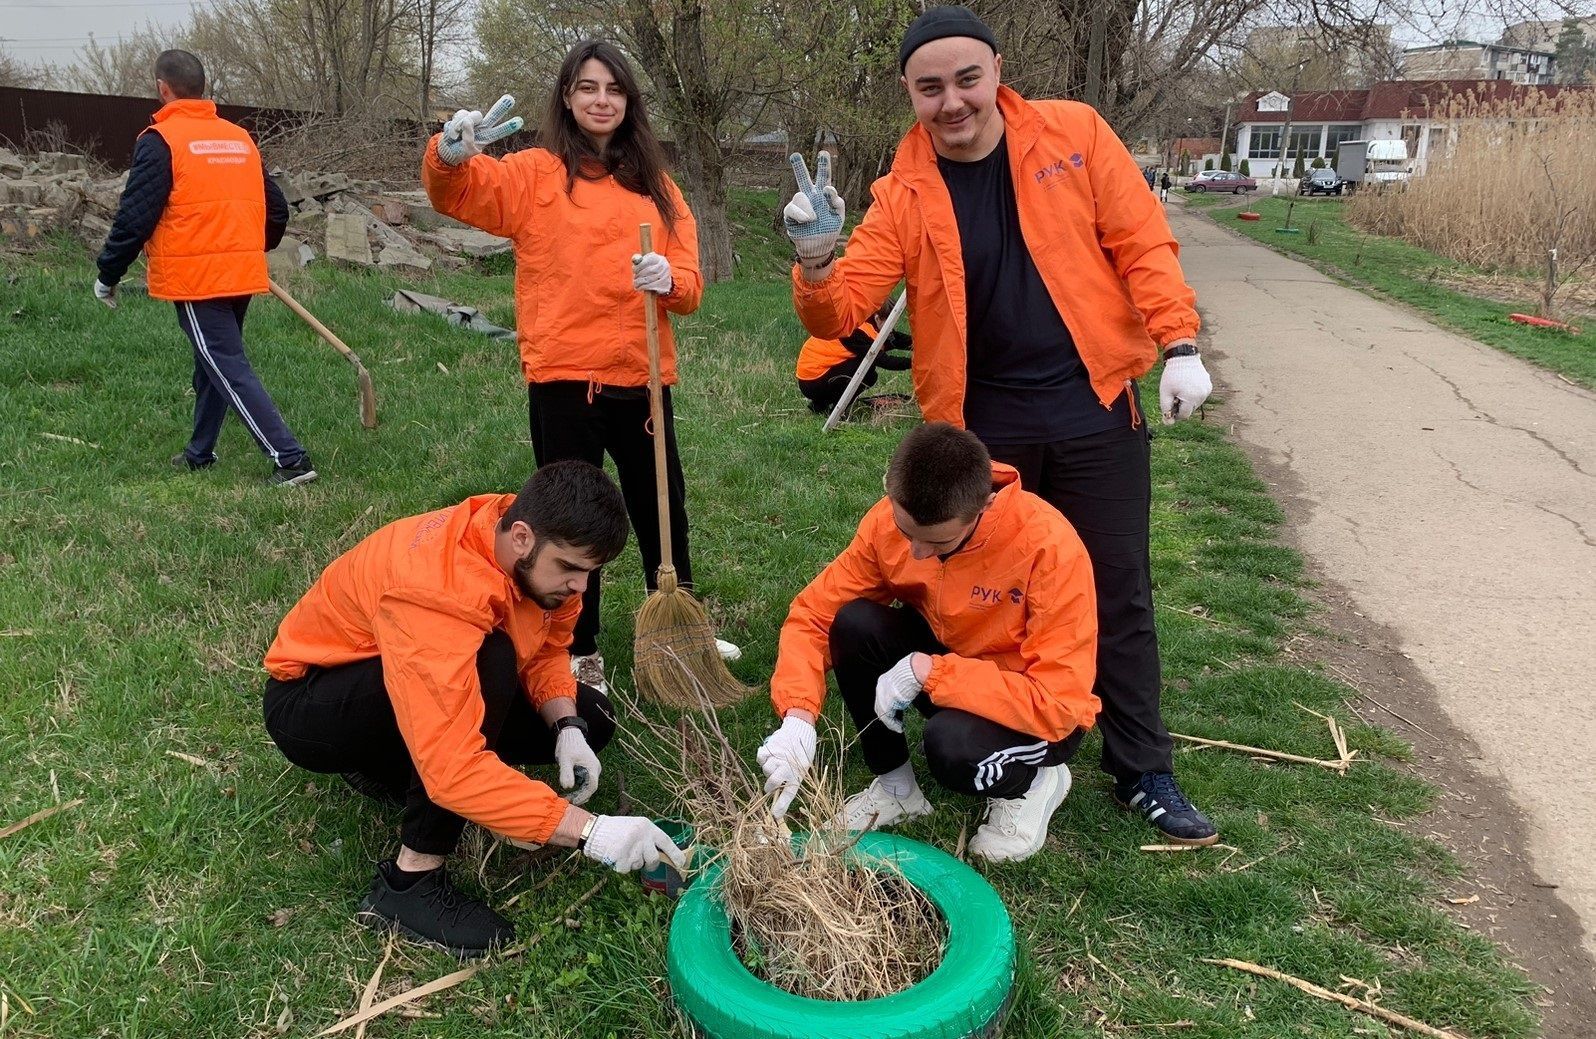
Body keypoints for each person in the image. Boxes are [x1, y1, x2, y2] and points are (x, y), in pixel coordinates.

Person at [779, 6, 1220, 845]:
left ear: (996, 72)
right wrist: (815, 259)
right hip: (981, 427)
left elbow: (1142, 244)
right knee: (989, 596)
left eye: (966, 79)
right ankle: (1012, 733)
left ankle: (1143, 768)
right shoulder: (903, 193)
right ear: (909, 94)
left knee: (1116, 587)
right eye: (930, 87)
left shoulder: (1075, 134)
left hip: (1092, 404)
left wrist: (1181, 340)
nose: (952, 101)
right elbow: (840, 310)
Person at [262, 461, 686, 957]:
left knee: (593, 716)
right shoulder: (437, 592)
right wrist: (588, 831)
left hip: (409, 676)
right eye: (571, 570)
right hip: (314, 702)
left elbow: (548, 648)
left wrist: (566, 725)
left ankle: (391, 768)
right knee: (492, 663)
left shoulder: (536, 545)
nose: (581, 588)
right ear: (523, 537)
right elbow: (452, 768)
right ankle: (409, 885)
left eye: (590, 573)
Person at [421, 39, 737, 696]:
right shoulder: (533, 175)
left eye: (614, 89)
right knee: (570, 522)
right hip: (563, 379)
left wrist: (670, 279)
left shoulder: (658, 186)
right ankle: (578, 645)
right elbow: (459, 195)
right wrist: (449, 157)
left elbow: (693, 286)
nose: (602, 100)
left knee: (662, 508)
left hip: (641, 379)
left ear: (629, 101)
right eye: (588, 87)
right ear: (567, 97)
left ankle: (677, 627)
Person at [756, 423, 1099, 863]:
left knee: (952, 748)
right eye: (906, 532)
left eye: (938, 541)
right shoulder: (886, 523)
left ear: (982, 508)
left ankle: (1034, 783)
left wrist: (932, 671)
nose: (916, 553)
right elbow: (813, 616)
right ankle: (897, 789)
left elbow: (1059, 704)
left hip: (1034, 709)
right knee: (854, 622)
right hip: (950, 669)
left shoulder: (1048, 548)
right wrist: (798, 716)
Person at [94, 49, 315, 487]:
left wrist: (108, 274)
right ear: (202, 88)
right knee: (212, 362)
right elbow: (275, 209)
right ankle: (200, 453)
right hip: (240, 271)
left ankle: (290, 459)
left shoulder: (160, 140)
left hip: (198, 278)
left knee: (226, 363)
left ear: (163, 88)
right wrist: (251, 249)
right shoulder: (239, 138)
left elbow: (135, 216)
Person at [795, 300, 913, 415]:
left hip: (817, 377)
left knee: (867, 372)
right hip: (812, 382)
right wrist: (916, 362)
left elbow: (896, 339)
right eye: (890, 324)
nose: (891, 329)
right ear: (877, 318)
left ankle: (820, 405)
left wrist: (923, 346)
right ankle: (837, 412)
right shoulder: (854, 332)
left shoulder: (864, 323)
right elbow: (886, 362)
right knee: (867, 371)